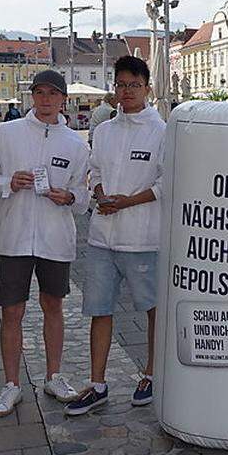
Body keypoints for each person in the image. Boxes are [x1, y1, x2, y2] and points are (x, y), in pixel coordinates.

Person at [0, 69, 90, 417]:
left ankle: (54, 375)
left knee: (54, 306)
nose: (47, 99)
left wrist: (69, 196)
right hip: (14, 237)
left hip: (54, 238)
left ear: (63, 99)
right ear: (31, 96)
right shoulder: (7, 134)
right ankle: (11, 385)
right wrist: (8, 181)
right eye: (40, 93)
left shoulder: (75, 144)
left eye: (54, 93)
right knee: (12, 311)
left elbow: (83, 196)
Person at [65, 57, 164, 415]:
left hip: (143, 239)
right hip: (102, 237)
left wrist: (128, 202)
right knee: (99, 309)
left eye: (134, 86)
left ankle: (153, 374)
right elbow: (94, 169)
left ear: (147, 88)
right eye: (121, 85)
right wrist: (102, 192)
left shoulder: (162, 131)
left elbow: (166, 183)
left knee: (154, 309)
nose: (127, 92)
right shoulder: (105, 130)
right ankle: (97, 382)